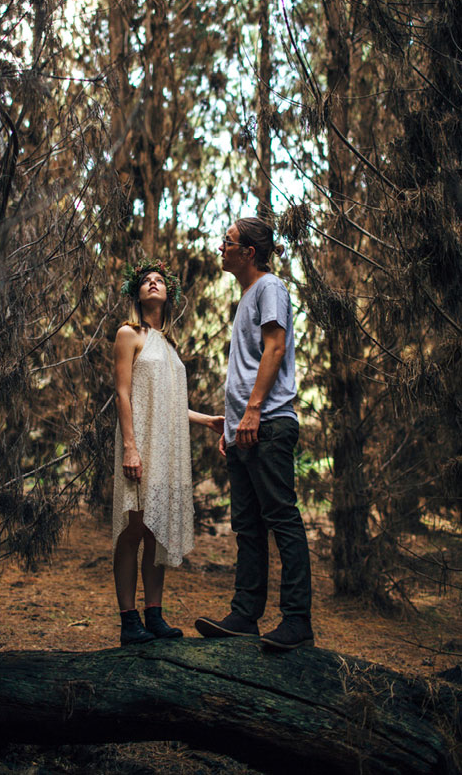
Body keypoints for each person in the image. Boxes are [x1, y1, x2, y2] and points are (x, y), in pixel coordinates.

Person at [195, 218, 314, 650]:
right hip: (243, 430)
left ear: (248, 252)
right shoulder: (248, 295)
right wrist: (231, 426)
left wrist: (253, 411)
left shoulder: (270, 288)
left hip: (268, 423)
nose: (220, 247)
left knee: (281, 517)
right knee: (247, 526)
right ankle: (245, 615)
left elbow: (275, 348)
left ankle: (297, 621)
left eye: (227, 242)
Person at [113, 257, 223, 646]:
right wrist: (130, 448)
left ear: (168, 293)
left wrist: (207, 420)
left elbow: (171, 404)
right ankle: (129, 621)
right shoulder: (129, 334)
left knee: (155, 531)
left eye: (159, 280)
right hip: (140, 442)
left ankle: (154, 615)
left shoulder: (170, 345)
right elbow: (123, 393)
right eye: (146, 280)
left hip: (166, 449)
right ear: (137, 293)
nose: (153, 283)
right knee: (134, 528)